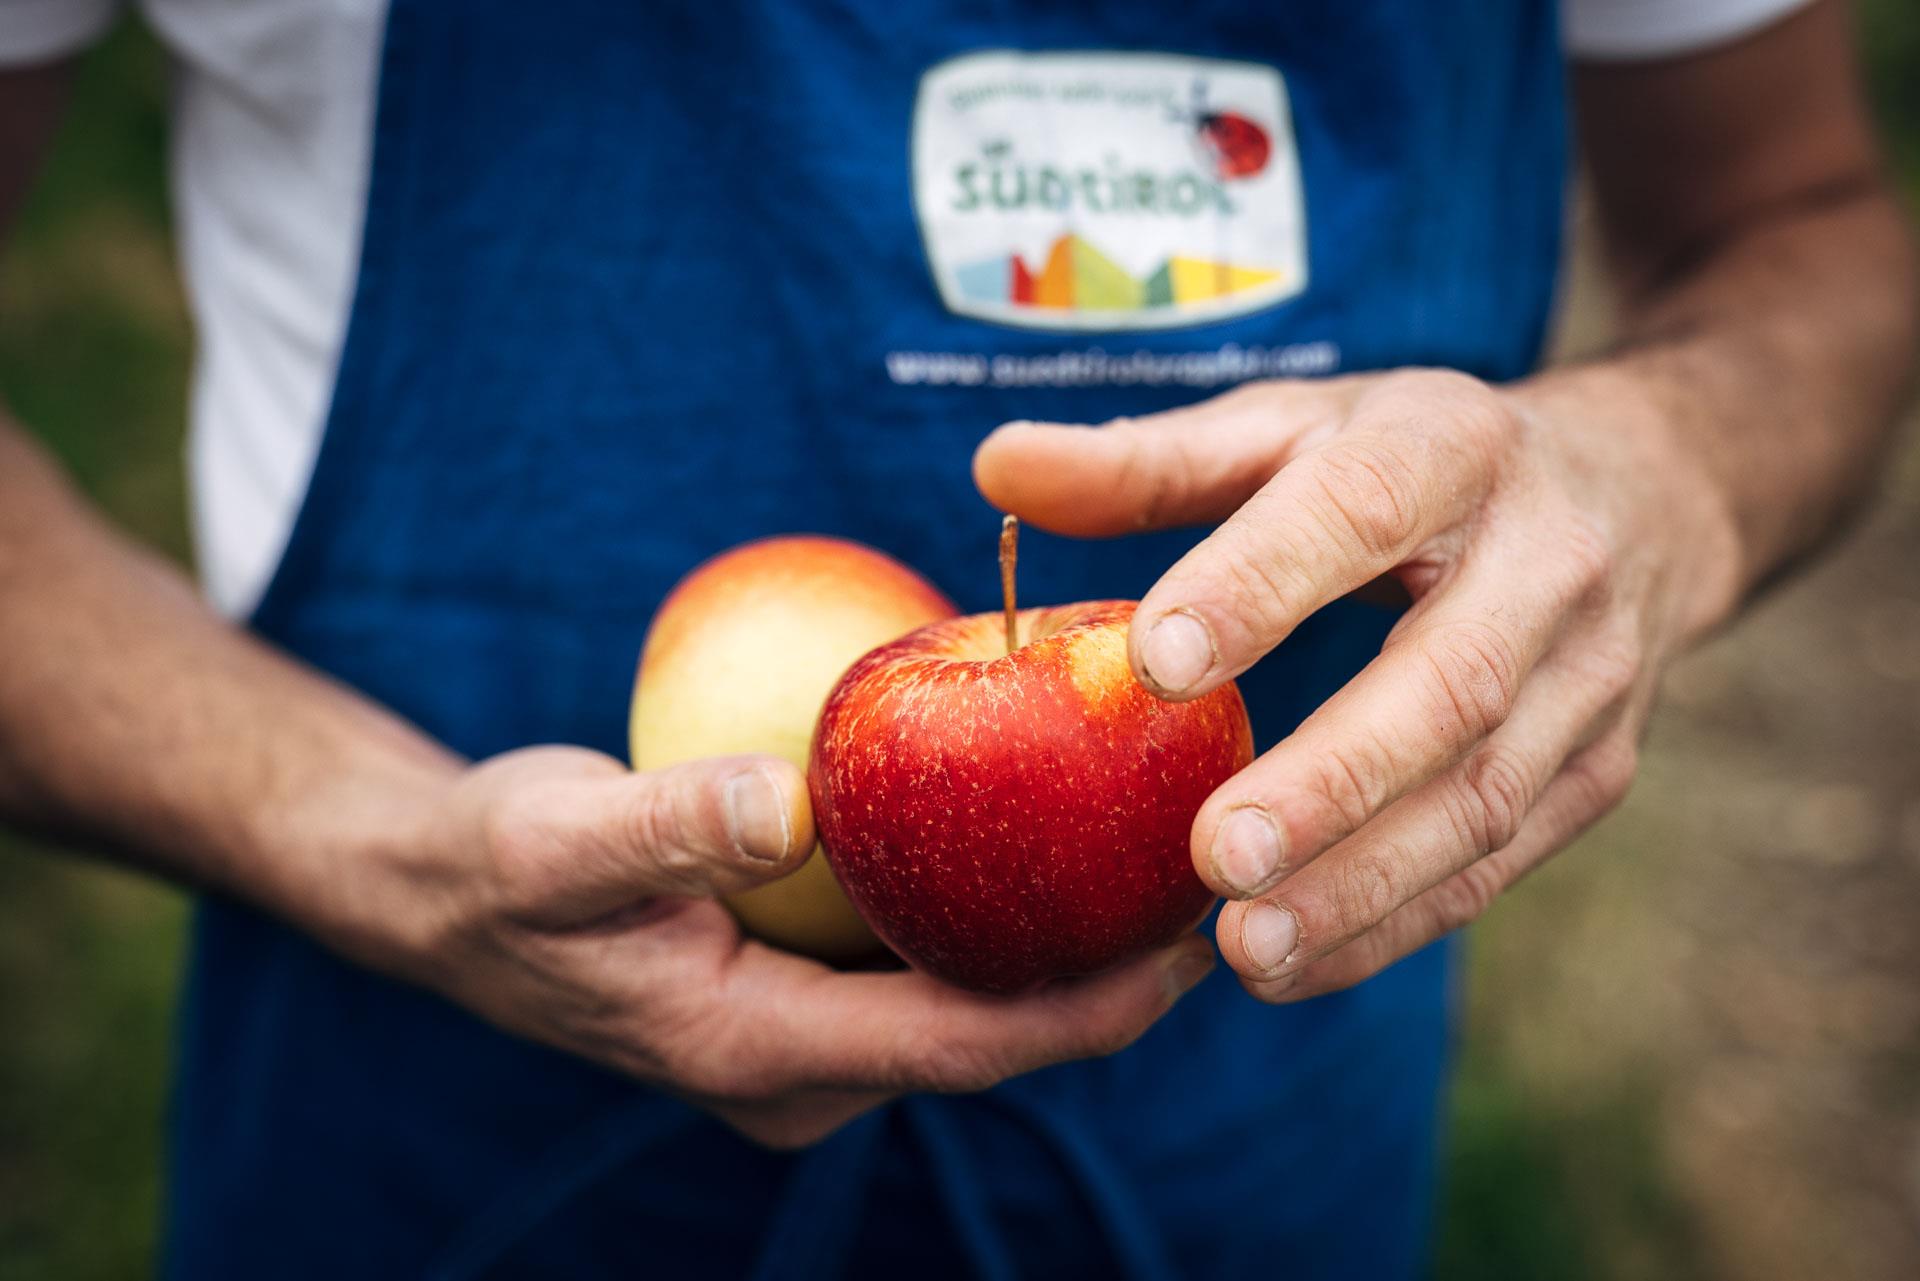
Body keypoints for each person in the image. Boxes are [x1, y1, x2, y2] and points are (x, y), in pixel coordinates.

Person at [0, 0, 1912, 1276]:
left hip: (1264, 1116)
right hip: (436, 1129)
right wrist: (357, 837)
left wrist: (1667, 465)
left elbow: (1804, 216)